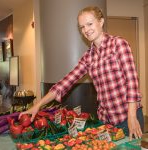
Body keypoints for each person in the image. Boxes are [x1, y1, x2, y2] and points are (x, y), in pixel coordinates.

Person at [19, 6, 144, 140]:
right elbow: (63, 84)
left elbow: (132, 82)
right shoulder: (88, 57)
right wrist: (37, 106)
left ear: (101, 22)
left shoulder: (118, 44)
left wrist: (132, 117)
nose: (86, 30)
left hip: (127, 117)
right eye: (82, 27)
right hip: (106, 120)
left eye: (89, 24)